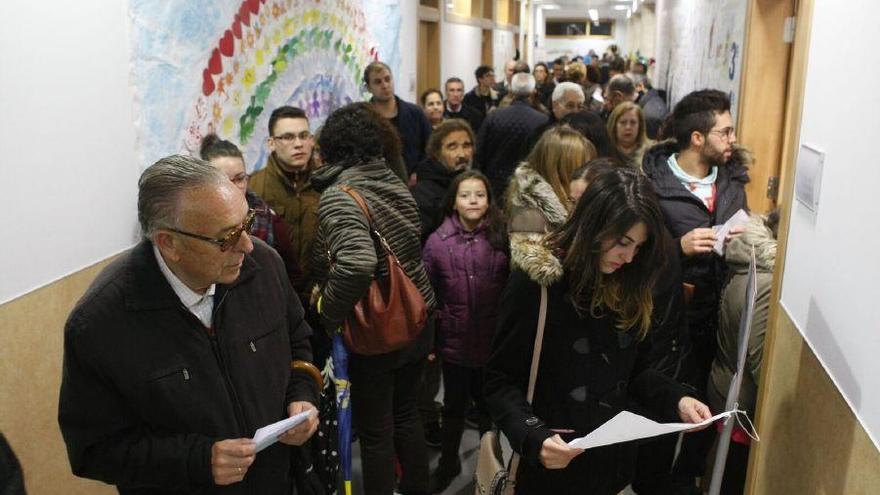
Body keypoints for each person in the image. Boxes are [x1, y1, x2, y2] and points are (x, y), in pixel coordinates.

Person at [58, 155, 319, 493]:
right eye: (225, 238)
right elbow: (93, 450)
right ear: (169, 243)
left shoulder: (264, 267)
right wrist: (196, 459)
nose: (246, 244)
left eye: (247, 222)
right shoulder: (99, 324)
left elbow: (298, 343)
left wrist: (302, 397)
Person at [485, 167, 713, 495]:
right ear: (595, 225)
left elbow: (638, 373)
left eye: (638, 246)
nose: (629, 256)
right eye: (622, 242)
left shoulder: (632, 282)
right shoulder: (538, 284)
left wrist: (677, 398)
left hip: (610, 469)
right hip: (549, 468)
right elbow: (499, 382)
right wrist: (534, 437)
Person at [309, 103, 437, 495]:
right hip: (418, 314)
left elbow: (357, 264)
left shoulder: (338, 196)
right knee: (406, 417)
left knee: (376, 432)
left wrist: (327, 312)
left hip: (380, 329)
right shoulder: (392, 178)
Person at [642, 89, 750, 490]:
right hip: (668, 323)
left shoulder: (733, 182)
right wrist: (677, 247)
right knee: (662, 406)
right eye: (725, 131)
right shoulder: (654, 184)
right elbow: (633, 257)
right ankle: (650, 481)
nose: (733, 139)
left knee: (705, 410)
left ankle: (685, 478)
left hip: (720, 323)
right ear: (697, 138)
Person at [422, 171, 510, 492]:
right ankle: (448, 463)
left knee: (489, 410)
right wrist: (431, 338)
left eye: (480, 195)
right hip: (454, 343)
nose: (473, 201)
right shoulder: (436, 243)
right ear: (453, 201)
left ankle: (492, 469)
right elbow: (428, 295)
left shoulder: (502, 238)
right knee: (454, 408)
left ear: (489, 201)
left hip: (492, 342)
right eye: (465, 195)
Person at [706, 211, 777, 495]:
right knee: (730, 479)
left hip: (726, 385)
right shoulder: (769, 279)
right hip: (740, 400)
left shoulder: (748, 258)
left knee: (721, 473)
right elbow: (758, 355)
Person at [200, 134, 301, 286]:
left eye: (240, 178)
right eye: (223, 181)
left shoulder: (269, 219)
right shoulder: (195, 225)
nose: (234, 187)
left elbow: (292, 279)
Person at [506, 126, 595, 282]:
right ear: (563, 169)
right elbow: (539, 270)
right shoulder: (529, 216)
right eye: (584, 167)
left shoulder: (570, 200)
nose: (590, 175)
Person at [248, 106, 320, 301]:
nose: (299, 144)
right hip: (275, 295)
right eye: (288, 137)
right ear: (271, 143)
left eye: (304, 135)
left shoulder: (328, 183)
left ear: (312, 140)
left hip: (321, 295)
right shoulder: (254, 188)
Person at [476, 73, 549, 202]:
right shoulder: (542, 121)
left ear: (511, 90)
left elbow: (480, 153)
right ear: (533, 91)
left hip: (495, 184)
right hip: (529, 185)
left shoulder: (493, 117)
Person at [364, 61, 432, 176]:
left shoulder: (415, 113)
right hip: (377, 182)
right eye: (378, 82)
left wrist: (419, 172)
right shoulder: (363, 118)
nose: (385, 85)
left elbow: (431, 147)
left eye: (387, 79)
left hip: (415, 182)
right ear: (369, 88)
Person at [411, 119, 476, 239]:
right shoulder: (423, 194)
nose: (462, 154)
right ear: (437, 153)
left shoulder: (475, 184)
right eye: (452, 147)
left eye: (467, 145)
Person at [607, 102, 652, 168]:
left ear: (640, 126)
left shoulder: (651, 153)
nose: (628, 127)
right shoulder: (605, 151)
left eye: (633, 122)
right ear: (614, 125)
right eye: (623, 122)